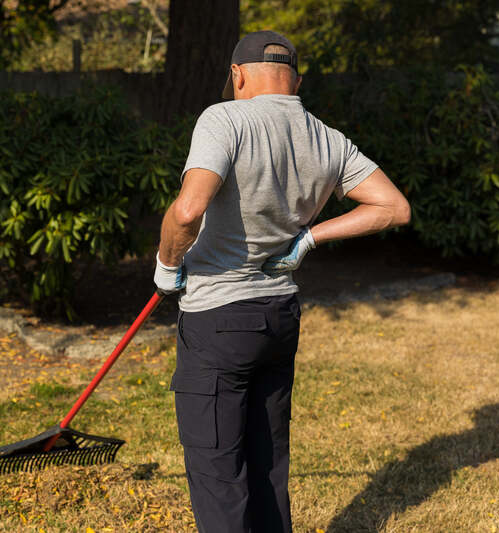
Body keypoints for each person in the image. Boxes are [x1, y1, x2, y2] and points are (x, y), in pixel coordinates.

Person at [154, 30, 411, 533]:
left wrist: (166, 268)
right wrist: (308, 239)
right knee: (268, 460)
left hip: (218, 321)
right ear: (295, 78)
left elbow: (188, 210)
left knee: (218, 469)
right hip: (278, 315)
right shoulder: (326, 137)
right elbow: (393, 207)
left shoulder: (223, 118)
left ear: (238, 74)